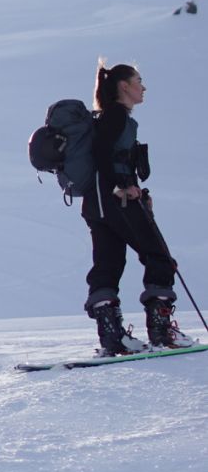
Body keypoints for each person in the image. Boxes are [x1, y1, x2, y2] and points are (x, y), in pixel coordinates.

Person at [82, 63, 190, 353]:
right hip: (117, 199)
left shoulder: (109, 117)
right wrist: (122, 185)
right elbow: (102, 152)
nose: (143, 87)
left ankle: (113, 338)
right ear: (124, 86)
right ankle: (162, 332)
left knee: (107, 264)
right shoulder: (116, 115)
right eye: (139, 81)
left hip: (96, 204)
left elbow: (105, 154)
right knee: (159, 257)